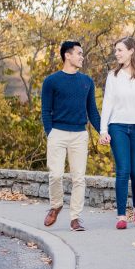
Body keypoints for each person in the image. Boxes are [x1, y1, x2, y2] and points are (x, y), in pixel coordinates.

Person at [41, 40, 101, 231]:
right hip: (57, 133)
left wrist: (103, 132)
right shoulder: (51, 81)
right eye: (79, 53)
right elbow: (45, 111)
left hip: (79, 135)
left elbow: (92, 111)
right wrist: (50, 133)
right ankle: (56, 205)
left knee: (79, 178)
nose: (82, 57)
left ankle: (75, 218)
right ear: (67, 55)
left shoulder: (87, 82)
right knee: (56, 175)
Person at [98, 36, 135, 228]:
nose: (116, 54)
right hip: (118, 126)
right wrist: (103, 129)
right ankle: (121, 216)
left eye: (120, 50)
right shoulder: (113, 76)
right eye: (115, 51)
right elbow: (108, 103)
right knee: (123, 171)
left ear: (131, 51)